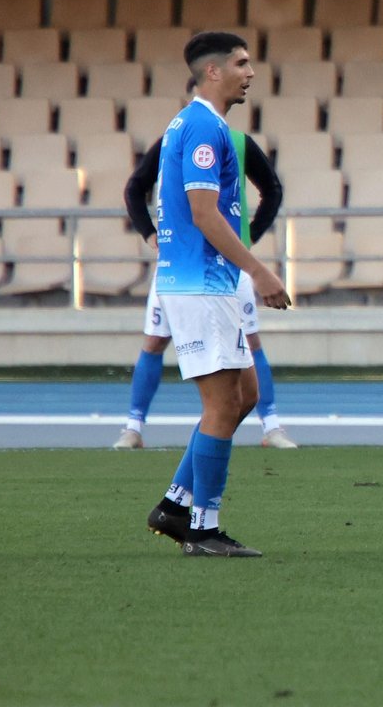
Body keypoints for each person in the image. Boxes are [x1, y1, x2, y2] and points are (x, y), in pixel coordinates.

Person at [142, 31, 291, 558]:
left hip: (208, 284)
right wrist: (261, 271)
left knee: (245, 395)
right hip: (202, 285)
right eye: (241, 63)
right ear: (213, 71)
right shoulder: (204, 126)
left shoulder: (196, 123)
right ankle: (202, 529)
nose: (251, 72)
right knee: (222, 404)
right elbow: (204, 213)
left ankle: (176, 504)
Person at [117, 89, 292, 452]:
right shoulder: (172, 141)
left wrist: (249, 240)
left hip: (225, 266)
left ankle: (272, 426)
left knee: (249, 347)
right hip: (182, 267)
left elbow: (272, 189)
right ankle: (132, 428)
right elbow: (135, 187)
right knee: (155, 343)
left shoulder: (237, 142)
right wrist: (150, 233)